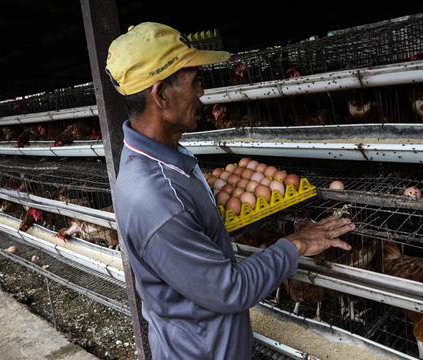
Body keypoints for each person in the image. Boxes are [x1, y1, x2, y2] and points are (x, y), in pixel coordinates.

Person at [106, 22, 355, 359]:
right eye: (195, 82)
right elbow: (231, 290)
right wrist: (296, 244)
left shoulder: (162, 157)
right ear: (161, 95)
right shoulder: (157, 200)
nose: (202, 94)